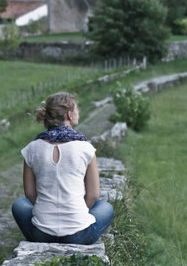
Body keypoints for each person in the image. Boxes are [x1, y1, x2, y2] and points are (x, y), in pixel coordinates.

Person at [12, 92, 114, 245]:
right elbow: (93, 195)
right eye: (77, 109)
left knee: (19, 205)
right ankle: (75, 224)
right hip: (78, 235)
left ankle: (44, 230)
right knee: (105, 207)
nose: (78, 113)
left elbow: (31, 194)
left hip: (41, 233)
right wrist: (76, 216)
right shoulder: (86, 149)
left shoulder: (31, 149)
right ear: (69, 114)